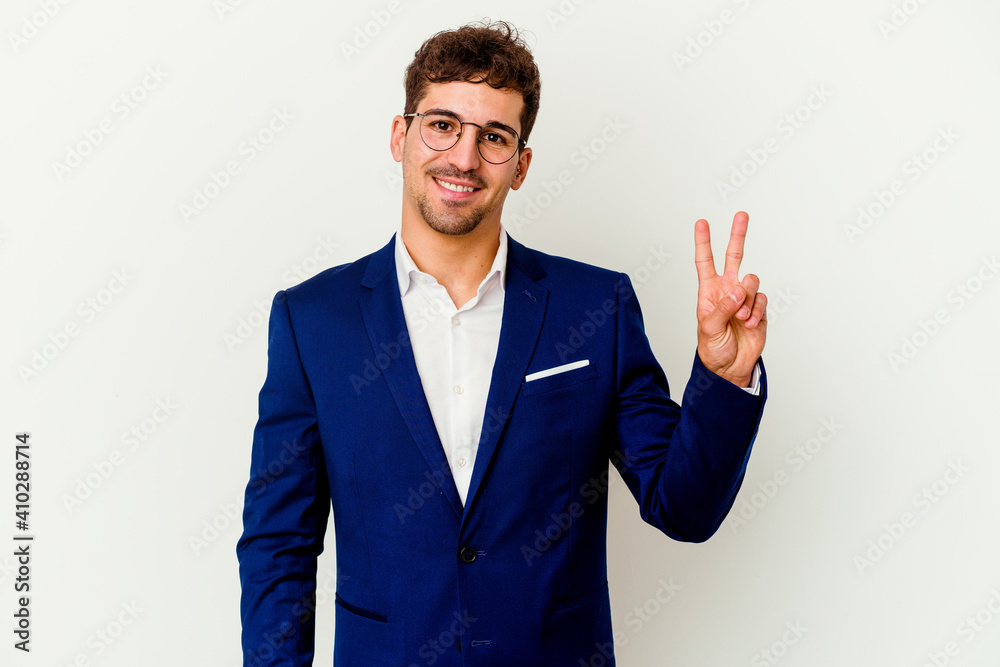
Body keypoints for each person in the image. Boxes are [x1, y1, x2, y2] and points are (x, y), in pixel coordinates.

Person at [237, 20, 767, 667]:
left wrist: (723, 378)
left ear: (521, 165)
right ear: (400, 136)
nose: (464, 157)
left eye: (494, 137)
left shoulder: (596, 308)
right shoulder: (312, 320)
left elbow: (683, 509)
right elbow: (279, 546)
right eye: (442, 125)